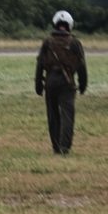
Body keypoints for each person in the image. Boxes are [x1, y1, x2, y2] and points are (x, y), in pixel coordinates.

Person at [34, 10, 88, 155]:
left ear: (55, 24)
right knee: (67, 116)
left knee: (53, 116)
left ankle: (56, 147)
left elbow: (40, 65)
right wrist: (83, 85)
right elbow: (82, 66)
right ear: (70, 25)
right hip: (67, 83)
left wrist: (38, 86)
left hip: (50, 82)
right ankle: (65, 147)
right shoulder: (75, 43)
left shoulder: (47, 42)